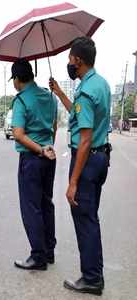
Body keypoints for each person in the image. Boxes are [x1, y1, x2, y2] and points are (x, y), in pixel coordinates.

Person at [49, 37, 111, 296]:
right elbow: (77, 115)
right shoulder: (100, 84)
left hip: (88, 159)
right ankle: (94, 275)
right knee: (90, 217)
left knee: (84, 219)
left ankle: (92, 278)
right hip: (101, 158)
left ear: (78, 60)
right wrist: (60, 92)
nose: (68, 63)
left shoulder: (86, 91)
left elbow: (84, 140)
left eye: (70, 59)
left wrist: (73, 182)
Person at [9, 58, 58, 271]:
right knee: (46, 203)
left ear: (17, 79)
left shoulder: (21, 100)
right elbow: (54, 126)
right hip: (49, 157)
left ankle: (38, 256)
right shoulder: (50, 97)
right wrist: (46, 147)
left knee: (32, 207)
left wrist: (38, 149)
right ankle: (49, 251)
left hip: (32, 158)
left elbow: (18, 134)